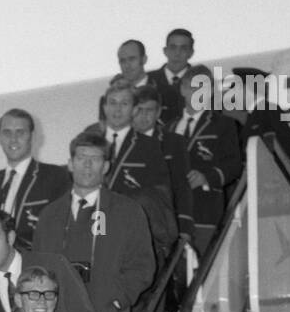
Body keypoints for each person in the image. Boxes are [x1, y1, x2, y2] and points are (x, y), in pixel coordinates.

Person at [32, 131, 156, 312]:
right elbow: (36, 267)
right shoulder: (50, 215)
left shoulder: (127, 210)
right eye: (81, 158)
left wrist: (118, 299)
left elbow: (143, 265)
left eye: (95, 159)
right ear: (70, 163)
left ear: (107, 166)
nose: (87, 165)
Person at [103, 81, 193, 254]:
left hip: (133, 232)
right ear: (105, 107)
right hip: (95, 230)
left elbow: (163, 194)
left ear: (133, 109)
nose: (117, 109)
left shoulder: (151, 146)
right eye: (112, 103)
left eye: (124, 104)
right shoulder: (90, 141)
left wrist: (184, 226)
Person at [173, 66, 243, 255]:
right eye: (193, 87)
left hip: (205, 207)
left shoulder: (224, 124)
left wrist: (207, 177)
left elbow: (234, 165)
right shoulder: (168, 128)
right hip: (173, 213)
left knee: (206, 262)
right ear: (183, 89)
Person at [0, 109, 68, 251]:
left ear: (32, 136)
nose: (13, 139)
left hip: (38, 266)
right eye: (7, 132)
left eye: (20, 132)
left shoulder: (55, 177)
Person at [147, 27, 198, 126]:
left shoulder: (201, 83)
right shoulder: (148, 80)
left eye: (183, 48)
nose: (177, 53)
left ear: (191, 52)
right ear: (165, 51)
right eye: (173, 47)